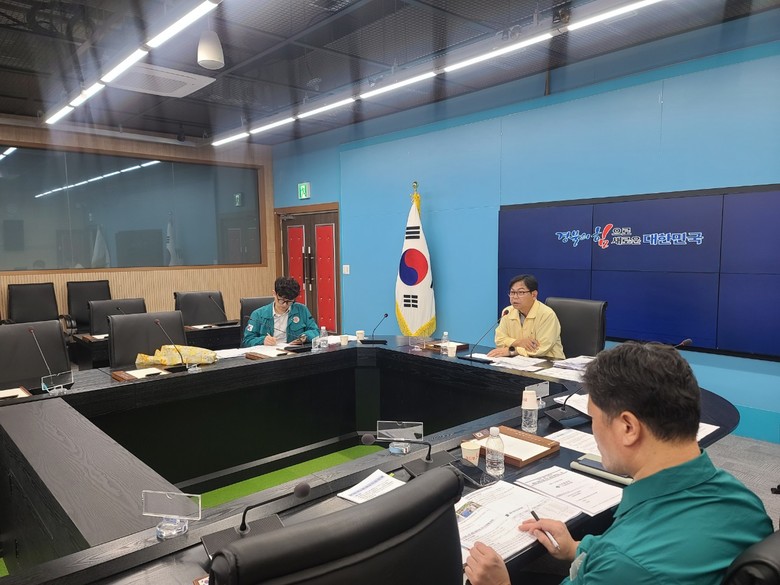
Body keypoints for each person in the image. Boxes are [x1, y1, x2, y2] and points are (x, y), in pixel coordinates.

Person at [465, 342, 772, 585]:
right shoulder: (743, 500)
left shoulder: (623, 564)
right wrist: (577, 549)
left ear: (628, 427)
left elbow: (628, 562)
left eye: (594, 418)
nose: (594, 430)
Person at [487, 274, 564, 360]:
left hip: (549, 362)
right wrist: (518, 342)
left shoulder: (547, 314)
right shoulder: (507, 312)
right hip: (519, 361)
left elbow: (542, 349)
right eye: (512, 292)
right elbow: (499, 340)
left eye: (521, 292)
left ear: (534, 295)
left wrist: (512, 350)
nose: (515, 297)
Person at [242, 276, 319, 347]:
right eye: (282, 300)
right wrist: (262, 340)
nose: (285, 305)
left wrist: (305, 337)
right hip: (268, 354)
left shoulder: (302, 310)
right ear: (274, 294)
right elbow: (246, 341)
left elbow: (315, 331)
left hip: (293, 352)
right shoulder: (258, 314)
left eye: (289, 301)